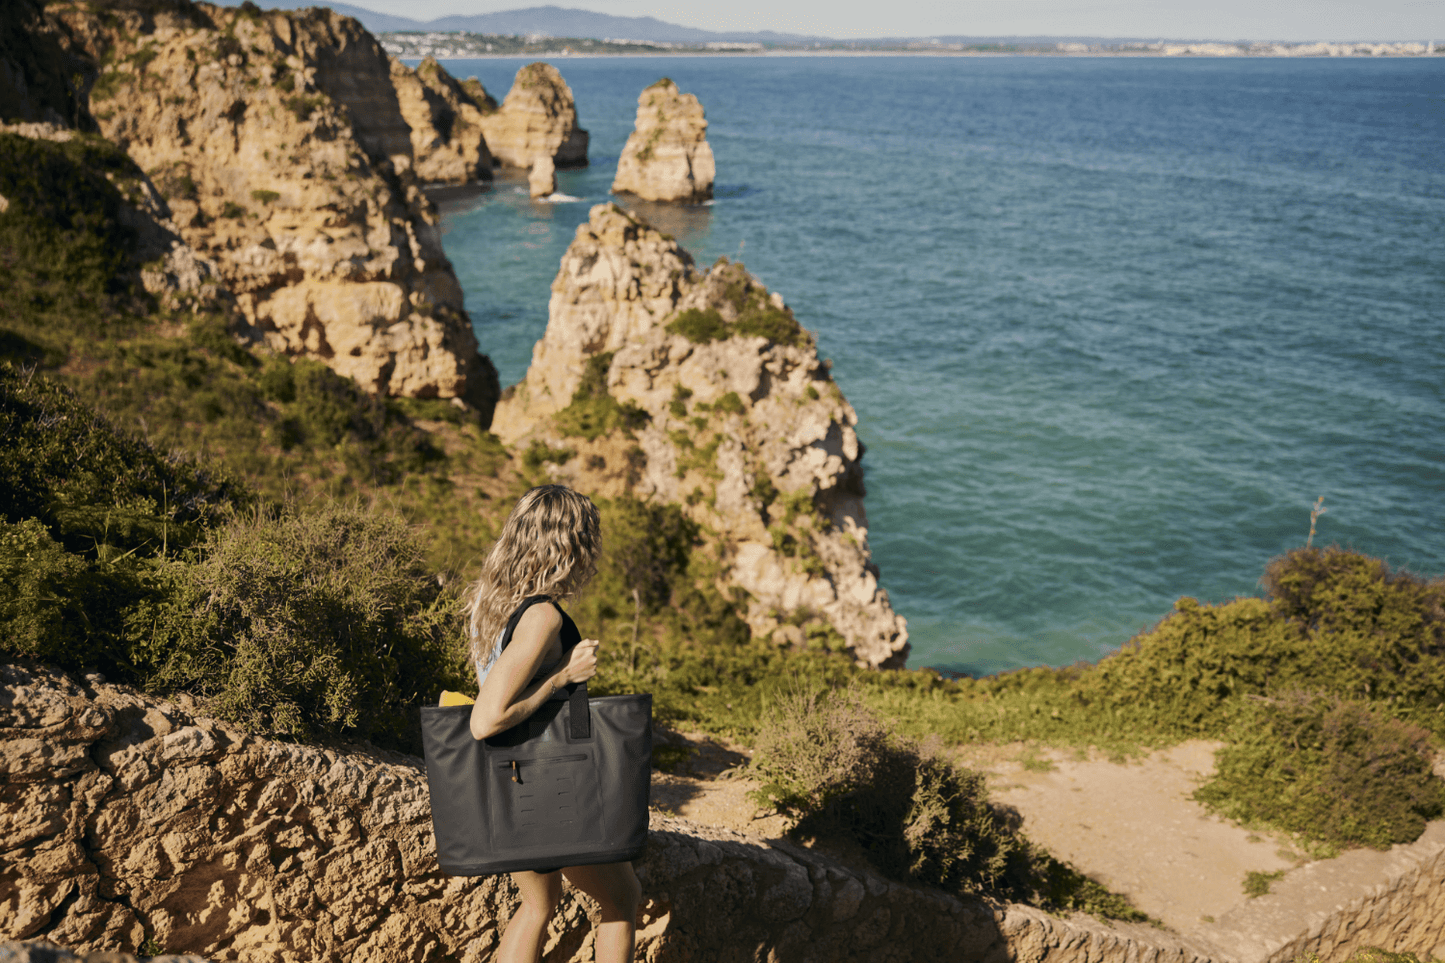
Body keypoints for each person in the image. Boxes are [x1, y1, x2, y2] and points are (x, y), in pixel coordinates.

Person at [464, 484, 641, 963]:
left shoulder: (493, 602)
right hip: (551, 786)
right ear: (568, 546)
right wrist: (564, 676)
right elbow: (487, 718)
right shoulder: (541, 616)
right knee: (622, 901)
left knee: (539, 904)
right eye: (588, 538)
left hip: (510, 782)